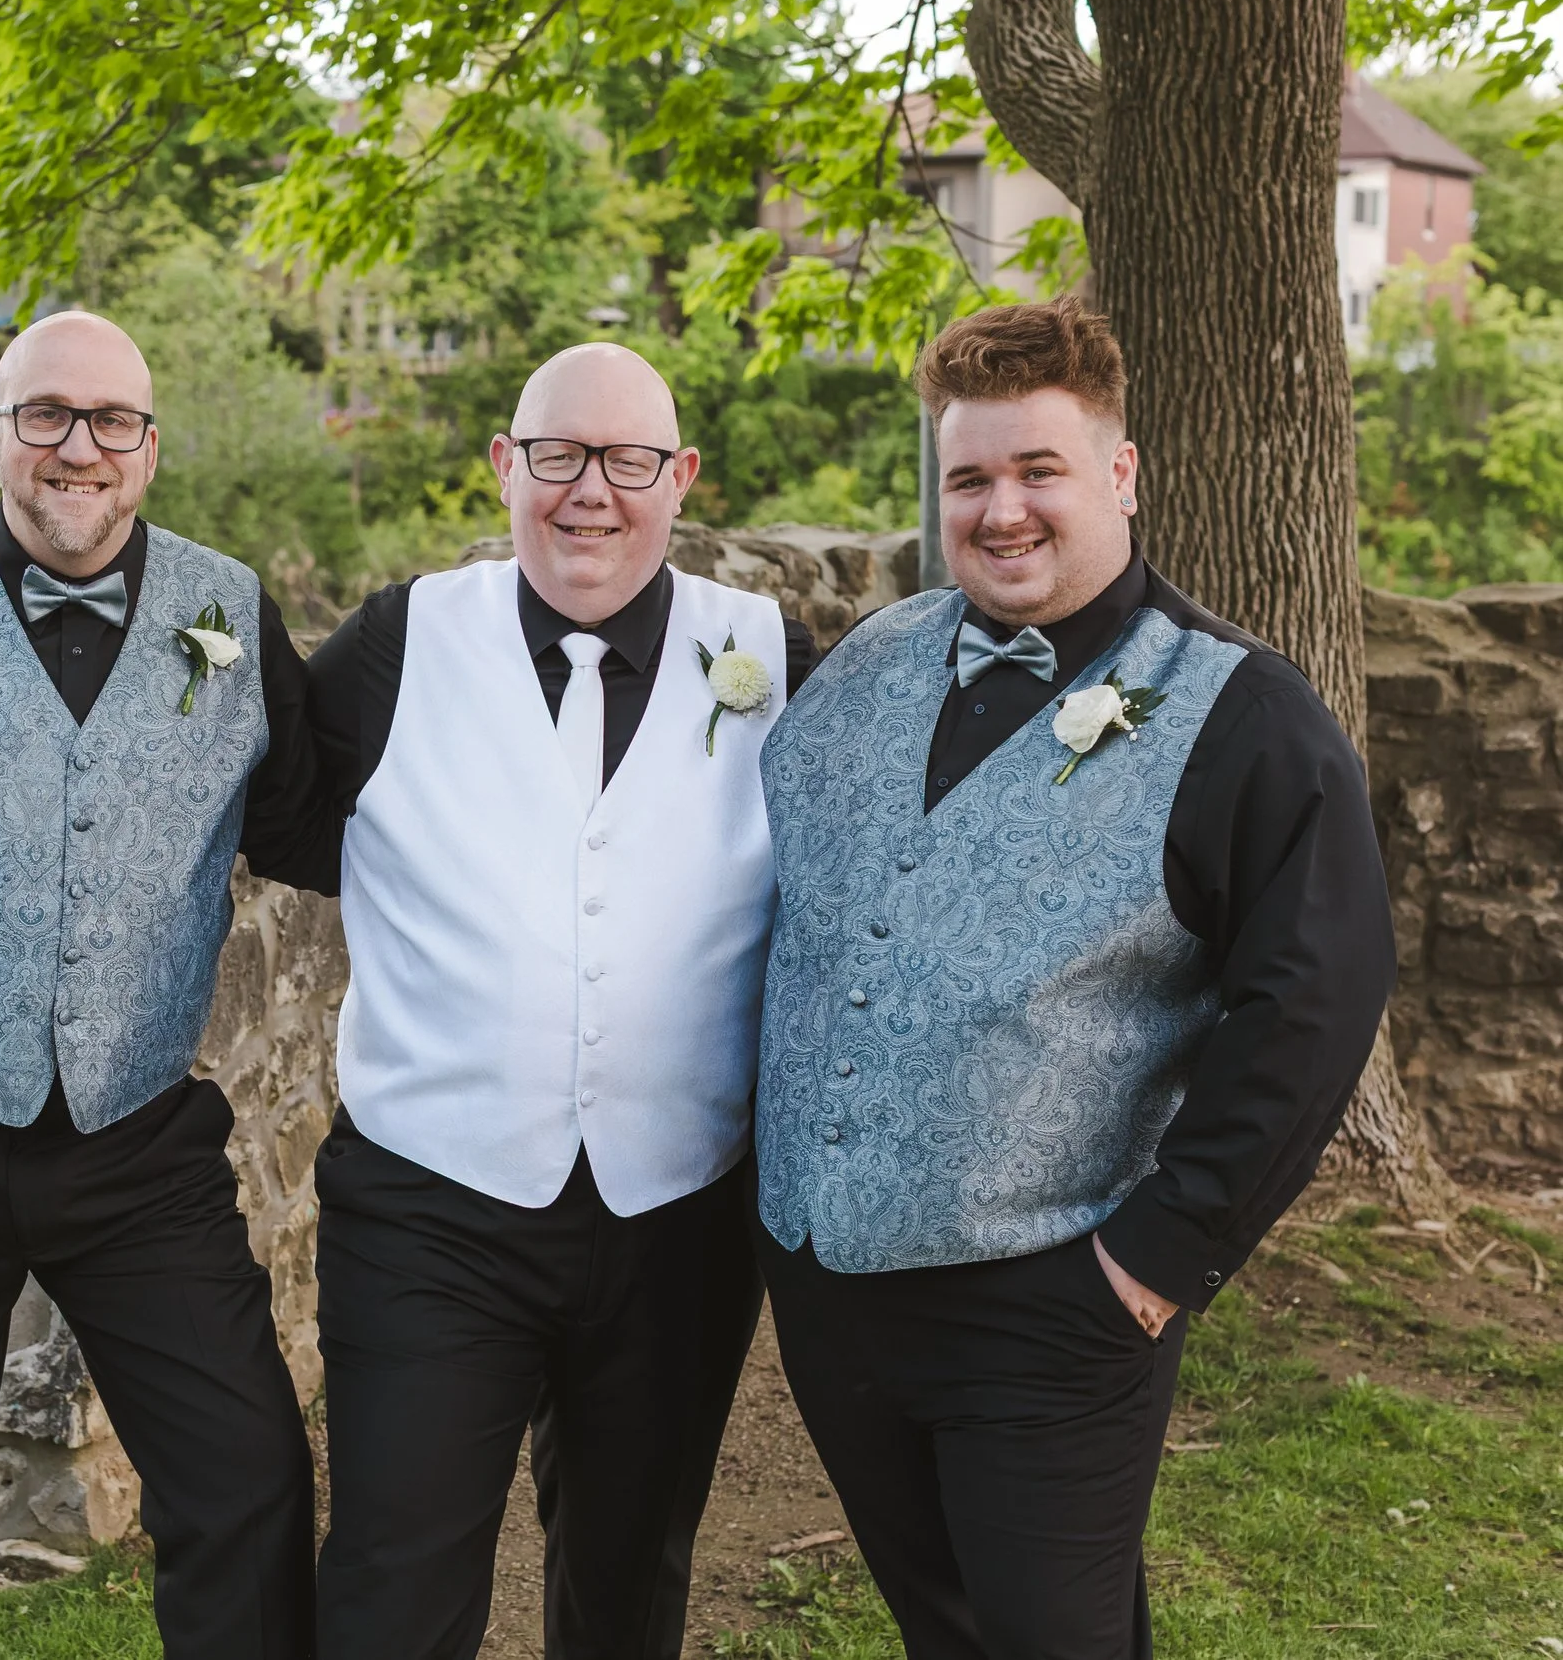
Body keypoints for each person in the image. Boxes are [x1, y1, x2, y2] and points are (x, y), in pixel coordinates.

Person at [753, 295, 1397, 1658]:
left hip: (1056, 1298)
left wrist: (1156, 1258)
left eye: (1038, 470)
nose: (1001, 511)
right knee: (946, 1626)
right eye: (969, 478)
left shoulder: (1244, 714)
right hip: (831, 1283)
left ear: (1120, 471)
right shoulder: (870, 662)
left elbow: (1315, 997)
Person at [301, 342, 814, 1660]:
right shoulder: (392, 646)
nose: (593, 491)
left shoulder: (771, 658)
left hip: (678, 1215)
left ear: (680, 478)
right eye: (558, 456)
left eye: (629, 460)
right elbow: (261, 820)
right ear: (505, 467)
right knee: (393, 1584)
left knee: (631, 1573)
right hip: (431, 1210)